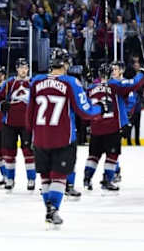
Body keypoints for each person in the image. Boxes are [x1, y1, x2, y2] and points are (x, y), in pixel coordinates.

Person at [27, 48, 105, 227]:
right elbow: (84, 111)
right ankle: (53, 209)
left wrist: (29, 134)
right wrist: (100, 108)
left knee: (46, 177)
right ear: (65, 64)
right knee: (59, 176)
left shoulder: (36, 81)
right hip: (63, 137)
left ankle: (48, 209)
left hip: (40, 137)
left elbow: (30, 112)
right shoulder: (71, 82)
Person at [83, 62, 144, 193]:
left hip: (96, 126)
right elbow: (133, 85)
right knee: (112, 155)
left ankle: (87, 179)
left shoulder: (90, 88)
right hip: (112, 127)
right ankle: (107, 180)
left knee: (93, 156)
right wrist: (142, 73)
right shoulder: (114, 85)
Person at [0, 58, 34, 191]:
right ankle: (10, 178)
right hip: (9, 123)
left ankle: (31, 179)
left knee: (28, 152)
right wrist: (2, 105)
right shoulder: (9, 83)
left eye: (26, 67)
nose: (24, 70)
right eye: (21, 67)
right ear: (17, 69)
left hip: (27, 123)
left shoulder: (33, 83)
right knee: (9, 152)